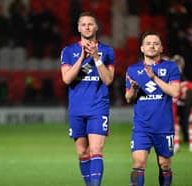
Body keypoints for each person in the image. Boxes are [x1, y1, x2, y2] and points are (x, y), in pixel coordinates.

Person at [60, 12, 115, 186]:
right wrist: (83, 58)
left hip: (98, 107)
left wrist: (97, 58)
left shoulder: (107, 51)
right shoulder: (68, 51)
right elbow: (67, 79)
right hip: (77, 108)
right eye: (83, 24)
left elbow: (108, 80)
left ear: (96, 27)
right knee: (83, 153)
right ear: (78, 28)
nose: (87, 27)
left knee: (96, 150)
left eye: (90, 24)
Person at [125, 31, 181, 186]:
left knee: (164, 164)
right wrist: (134, 89)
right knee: (138, 163)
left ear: (161, 48)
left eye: (156, 43)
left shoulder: (170, 67)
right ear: (142, 48)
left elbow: (175, 92)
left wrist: (154, 78)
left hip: (164, 126)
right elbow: (128, 98)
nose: (152, 46)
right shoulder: (133, 70)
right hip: (142, 127)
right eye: (148, 43)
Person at [171, 54, 192, 152]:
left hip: (181, 101)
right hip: (178, 101)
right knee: (180, 122)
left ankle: (178, 143)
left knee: (179, 122)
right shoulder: (178, 75)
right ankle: (180, 143)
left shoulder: (178, 76)